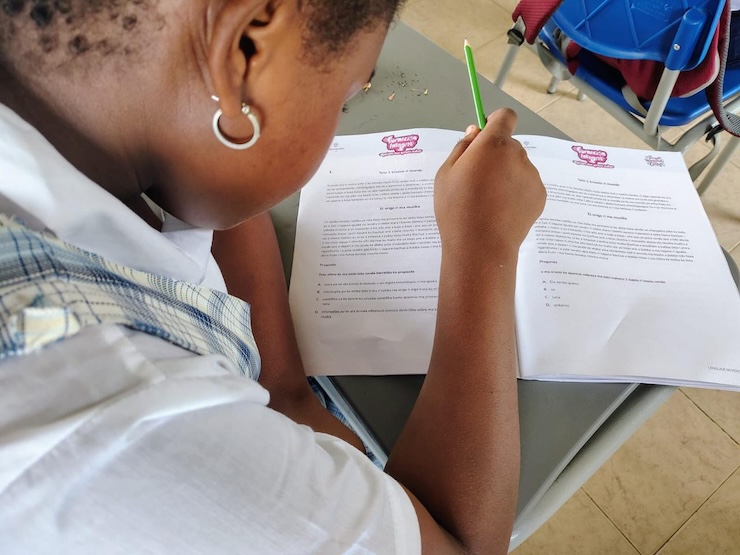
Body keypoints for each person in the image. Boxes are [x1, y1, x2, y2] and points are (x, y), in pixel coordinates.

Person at [0, 0, 545, 553]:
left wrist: (285, 390)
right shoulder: (123, 425)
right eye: (345, 98)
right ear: (245, 53)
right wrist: (483, 245)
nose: (340, 114)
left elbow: (218, 174)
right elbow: (460, 545)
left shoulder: (65, 101)